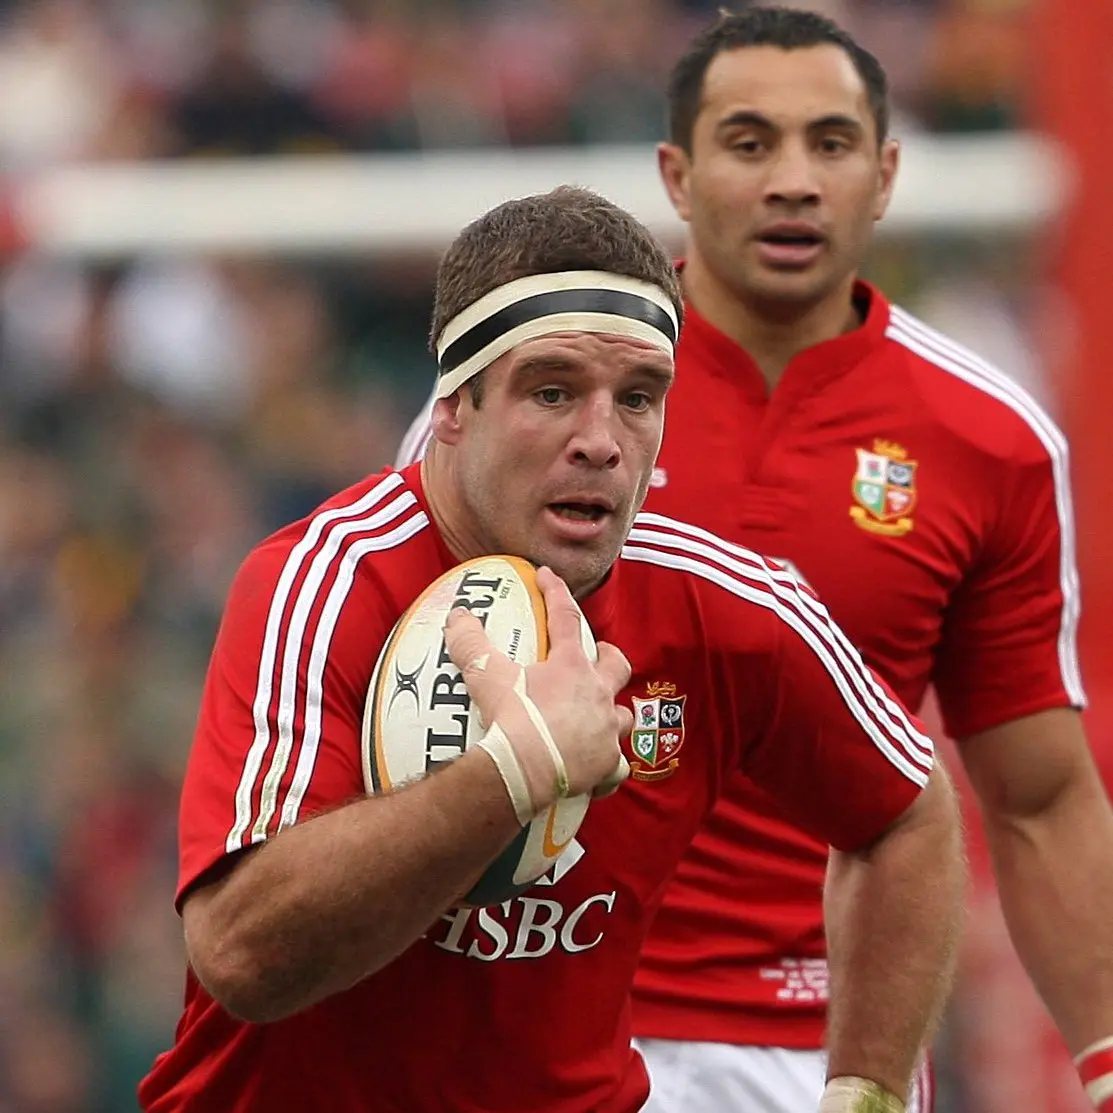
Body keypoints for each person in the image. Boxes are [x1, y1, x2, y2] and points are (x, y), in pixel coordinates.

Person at [396, 10, 1113, 1113]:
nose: (792, 181)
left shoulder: (990, 439)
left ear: (884, 175)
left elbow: (1039, 797)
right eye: (748, 142)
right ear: (676, 176)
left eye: (830, 143)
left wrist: (1105, 1060)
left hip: (819, 1051)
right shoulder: (526, 405)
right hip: (537, 1013)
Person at [140, 185, 964, 1113]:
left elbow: (906, 813)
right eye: (552, 390)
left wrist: (865, 1094)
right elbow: (241, 954)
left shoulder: (725, 607)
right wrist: (516, 770)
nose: (602, 443)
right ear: (453, 405)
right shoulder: (325, 581)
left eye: (638, 398)